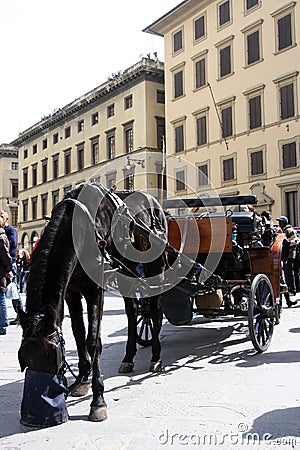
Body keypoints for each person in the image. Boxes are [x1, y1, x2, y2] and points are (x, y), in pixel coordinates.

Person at [0, 210, 24, 323]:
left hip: (10, 263)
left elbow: (12, 244)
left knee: (13, 290)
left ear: (6, 219)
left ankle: (20, 314)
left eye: (2, 216)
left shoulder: (10, 230)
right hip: (4, 263)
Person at [277, 215, 299, 305]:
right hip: (286, 254)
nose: (279, 223)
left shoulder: (289, 230)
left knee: (289, 272)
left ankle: (292, 289)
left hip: (289, 254)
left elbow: (295, 241)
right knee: (287, 273)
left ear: (285, 222)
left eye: (281, 222)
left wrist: (286, 243)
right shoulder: (284, 231)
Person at [0, 213, 13, 335]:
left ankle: (3, 325)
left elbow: (5, 255)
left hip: (0, 272)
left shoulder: (1, 236)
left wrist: (9, 268)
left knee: (1, 297)